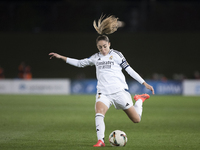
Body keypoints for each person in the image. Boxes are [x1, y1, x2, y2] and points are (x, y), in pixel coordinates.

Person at [49, 15, 155, 147]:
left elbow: (129, 70)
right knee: (99, 113)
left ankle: (139, 99)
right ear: (97, 47)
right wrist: (60, 57)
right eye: (100, 47)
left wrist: (144, 83)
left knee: (136, 119)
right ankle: (101, 140)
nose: (103, 49)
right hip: (103, 93)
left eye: (105, 46)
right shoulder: (95, 58)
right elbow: (79, 63)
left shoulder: (117, 55)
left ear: (109, 44)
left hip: (119, 92)